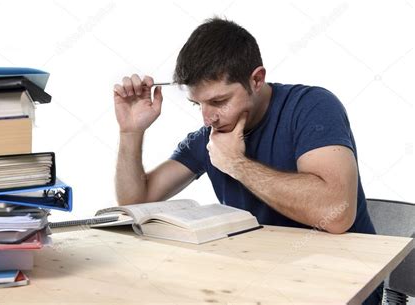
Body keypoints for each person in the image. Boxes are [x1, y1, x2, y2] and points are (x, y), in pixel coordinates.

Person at [113, 18, 382, 304]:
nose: (207, 118)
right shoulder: (209, 135)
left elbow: (336, 212)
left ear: (256, 79)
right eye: (198, 104)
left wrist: (236, 164)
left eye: (218, 101)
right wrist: (131, 131)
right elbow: (134, 203)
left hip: (342, 285)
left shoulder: (312, 106)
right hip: (265, 283)